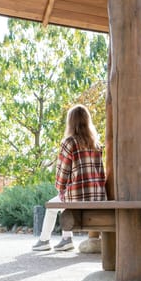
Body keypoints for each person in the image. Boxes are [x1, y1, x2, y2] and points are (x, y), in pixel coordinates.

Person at [32, 104, 106, 251]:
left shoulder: (69, 142)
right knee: (63, 199)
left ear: (71, 122)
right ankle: (66, 239)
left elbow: (62, 172)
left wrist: (60, 189)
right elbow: (101, 173)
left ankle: (45, 240)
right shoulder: (96, 145)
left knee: (52, 206)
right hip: (98, 197)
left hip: (78, 197)